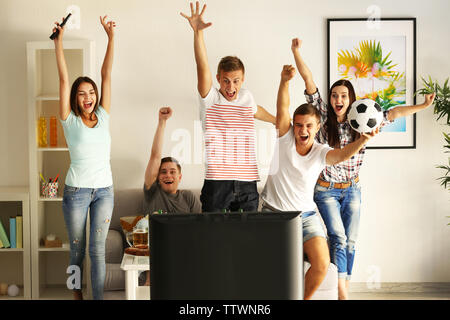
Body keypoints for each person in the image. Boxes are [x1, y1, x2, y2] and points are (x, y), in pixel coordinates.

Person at [291, 37, 436, 299]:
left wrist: (424, 106)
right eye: (335, 95)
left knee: (351, 240)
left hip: (353, 189)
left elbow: (395, 113)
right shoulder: (322, 117)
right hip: (326, 190)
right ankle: (342, 292)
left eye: (343, 96)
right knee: (337, 236)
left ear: (351, 99)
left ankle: (342, 286)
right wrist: (296, 52)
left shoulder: (364, 119)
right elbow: (309, 81)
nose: (338, 99)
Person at [261, 65, 379, 300]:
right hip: (274, 214)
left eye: (308, 126)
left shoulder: (320, 151)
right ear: (293, 126)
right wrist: (284, 81)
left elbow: (341, 155)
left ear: (317, 128)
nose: (302, 130)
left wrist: (362, 141)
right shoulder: (284, 139)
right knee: (272, 264)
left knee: (323, 263)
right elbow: (281, 108)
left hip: (305, 216)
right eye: (299, 125)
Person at [181, 2, 276, 212]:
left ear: (242, 80)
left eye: (235, 81)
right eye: (225, 80)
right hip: (218, 182)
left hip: (248, 181)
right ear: (218, 79)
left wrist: (277, 121)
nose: (230, 86)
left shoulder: (246, 97)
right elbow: (202, 65)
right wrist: (198, 34)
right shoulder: (210, 98)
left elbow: (257, 110)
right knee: (213, 236)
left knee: (248, 236)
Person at [53, 15, 116, 300]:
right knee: (76, 249)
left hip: (105, 190)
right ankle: (76, 297)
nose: (88, 97)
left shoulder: (103, 116)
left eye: (91, 92)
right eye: (81, 94)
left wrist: (111, 38)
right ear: (74, 99)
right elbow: (64, 77)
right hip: (77, 191)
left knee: (97, 250)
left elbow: (106, 74)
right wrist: (59, 42)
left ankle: (98, 299)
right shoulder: (69, 120)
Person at [143, 106, 202, 214]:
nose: (168, 175)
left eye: (172, 172)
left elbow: (199, 225)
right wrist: (162, 122)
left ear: (180, 177)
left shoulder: (188, 197)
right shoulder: (153, 192)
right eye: (163, 172)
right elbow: (155, 156)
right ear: (157, 177)